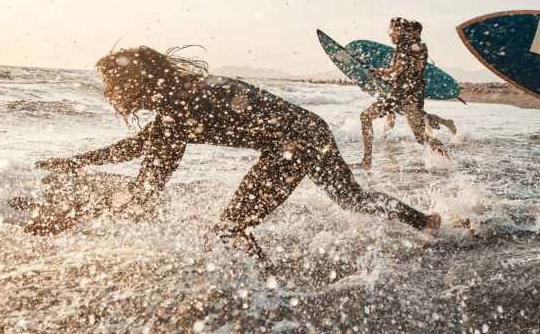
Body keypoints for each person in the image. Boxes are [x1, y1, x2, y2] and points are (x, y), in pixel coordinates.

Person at [32, 46, 441, 262]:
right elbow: (145, 146)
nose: (110, 93)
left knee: (230, 228)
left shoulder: (179, 107)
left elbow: (146, 186)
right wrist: (77, 163)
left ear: (137, 81)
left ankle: (270, 291)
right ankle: (428, 221)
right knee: (354, 199)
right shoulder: (181, 97)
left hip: (295, 142)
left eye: (113, 83)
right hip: (309, 129)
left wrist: (72, 214)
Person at [355, 18, 451, 170]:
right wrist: (383, 75)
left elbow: (399, 68)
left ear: (400, 31)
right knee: (420, 138)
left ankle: (367, 161)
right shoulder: (417, 46)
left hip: (402, 95)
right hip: (412, 95)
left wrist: (382, 71)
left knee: (365, 117)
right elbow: (409, 70)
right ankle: (449, 160)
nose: (390, 34)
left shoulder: (405, 46)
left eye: (391, 29)